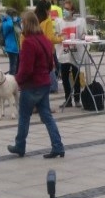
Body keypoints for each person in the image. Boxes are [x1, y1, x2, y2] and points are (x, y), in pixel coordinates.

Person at [8, 10, 66, 159]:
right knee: (46, 116)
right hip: (44, 83)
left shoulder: (28, 42)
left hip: (31, 85)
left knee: (24, 117)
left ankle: (20, 146)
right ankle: (58, 146)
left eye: (22, 22)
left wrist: (18, 80)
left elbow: (26, 68)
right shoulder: (45, 40)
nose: (21, 24)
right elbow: (50, 64)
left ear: (26, 24)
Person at [57, 0, 87, 108]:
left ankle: (77, 98)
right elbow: (56, 35)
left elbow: (83, 34)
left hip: (75, 51)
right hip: (64, 52)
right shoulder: (59, 22)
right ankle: (68, 99)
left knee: (76, 75)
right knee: (64, 76)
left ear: (72, 10)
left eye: (68, 9)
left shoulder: (79, 22)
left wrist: (84, 36)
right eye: (64, 8)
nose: (65, 11)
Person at [0, 7, 21, 75]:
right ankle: (11, 78)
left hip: (16, 47)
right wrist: (10, 19)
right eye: (14, 15)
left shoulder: (14, 22)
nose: (16, 17)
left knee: (17, 65)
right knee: (13, 65)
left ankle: (15, 77)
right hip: (11, 48)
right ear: (10, 15)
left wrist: (17, 20)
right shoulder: (6, 23)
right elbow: (9, 25)